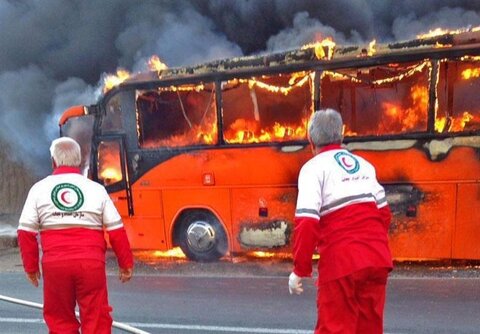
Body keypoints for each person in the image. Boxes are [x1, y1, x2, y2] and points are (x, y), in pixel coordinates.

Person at [288, 109, 393, 334]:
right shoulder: (365, 165)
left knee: (334, 328)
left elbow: (306, 222)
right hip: (377, 259)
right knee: (369, 328)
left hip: (341, 262)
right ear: (342, 135)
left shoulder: (312, 169)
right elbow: (384, 214)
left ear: (310, 140)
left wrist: (300, 269)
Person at [17, 137, 134, 334]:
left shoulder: (38, 189)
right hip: (91, 264)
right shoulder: (97, 190)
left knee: (60, 320)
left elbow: (25, 232)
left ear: (53, 161)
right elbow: (116, 231)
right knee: (96, 318)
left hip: (55, 266)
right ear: (79, 161)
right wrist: (126, 264)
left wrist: (30, 267)